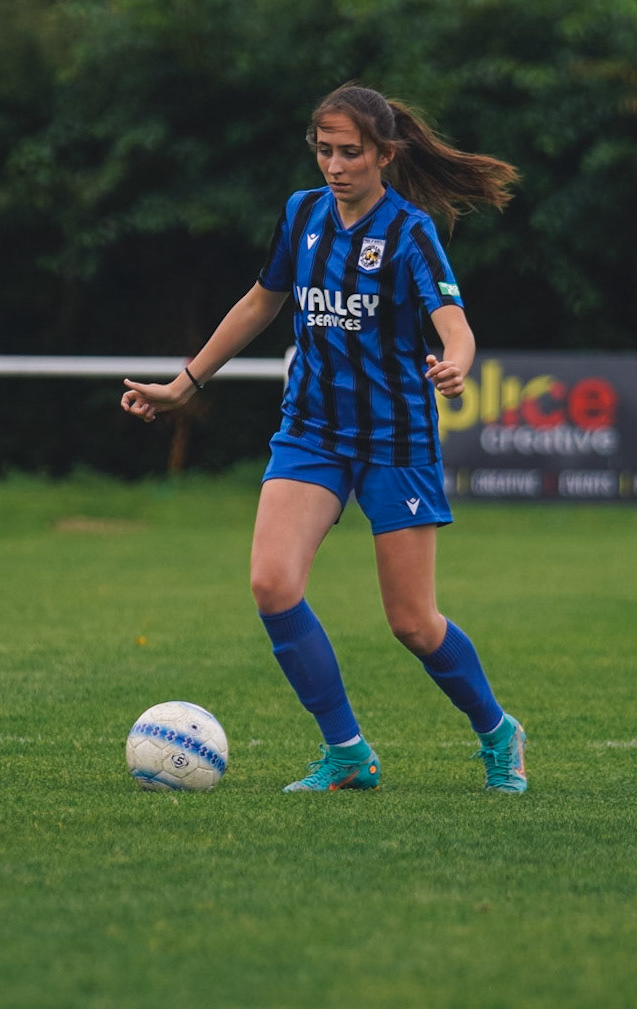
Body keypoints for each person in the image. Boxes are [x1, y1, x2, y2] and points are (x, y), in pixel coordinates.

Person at [121, 84, 527, 793]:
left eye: (350, 153)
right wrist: (186, 383)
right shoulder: (301, 213)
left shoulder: (409, 232)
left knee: (412, 622)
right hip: (311, 429)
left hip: (395, 440)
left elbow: (454, 325)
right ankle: (347, 752)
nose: (334, 166)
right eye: (324, 150)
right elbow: (261, 300)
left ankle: (498, 732)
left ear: (385, 155)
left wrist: (455, 365)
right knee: (272, 584)